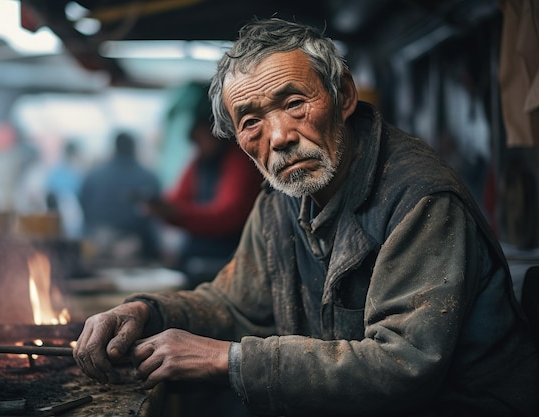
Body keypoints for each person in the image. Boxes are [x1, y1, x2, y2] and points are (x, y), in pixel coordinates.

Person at [73, 18, 539, 416]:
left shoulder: (419, 200)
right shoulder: (283, 197)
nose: (278, 138)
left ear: (344, 96)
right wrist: (148, 311)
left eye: (295, 103)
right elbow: (235, 303)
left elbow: (403, 366)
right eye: (251, 121)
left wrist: (228, 360)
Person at [145, 104, 264, 288]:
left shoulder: (239, 160)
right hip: (198, 255)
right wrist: (163, 207)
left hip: (229, 259)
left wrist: (175, 213)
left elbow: (227, 216)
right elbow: (177, 198)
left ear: (217, 133)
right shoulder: (200, 161)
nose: (198, 147)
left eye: (201, 139)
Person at [79, 131, 161, 263]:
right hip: (137, 251)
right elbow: (156, 214)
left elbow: (83, 207)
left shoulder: (92, 177)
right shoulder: (148, 177)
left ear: (114, 147)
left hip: (99, 247)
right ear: (134, 148)